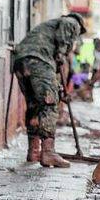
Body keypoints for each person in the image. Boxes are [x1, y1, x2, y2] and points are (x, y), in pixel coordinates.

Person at [13, 14, 85, 168]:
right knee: (49, 104)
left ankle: (33, 151)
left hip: (21, 61)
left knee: (33, 105)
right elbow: (66, 30)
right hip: (38, 60)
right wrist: (61, 52)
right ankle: (48, 152)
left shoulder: (48, 27)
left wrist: (58, 88)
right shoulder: (72, 22)